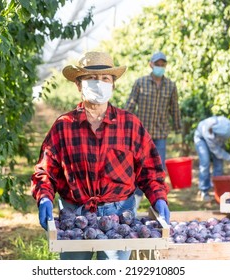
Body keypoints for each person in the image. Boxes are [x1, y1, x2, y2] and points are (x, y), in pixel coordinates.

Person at [31, 51, 170, 260]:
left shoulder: (130, 124)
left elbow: (149, 169)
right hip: (75, 215)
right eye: (91, 78)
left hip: (119, 216)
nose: (99, 83)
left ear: (112, 85)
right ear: (78, 85)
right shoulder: (64, 126)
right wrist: (44, 198)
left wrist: (158, 197)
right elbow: (46, 171)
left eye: (105, 79)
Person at [125, 51, 181, 211]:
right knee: (137, 168)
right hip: (141, 135)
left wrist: (178, 131)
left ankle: (158, 202)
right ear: (151, 64)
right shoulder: (140, 83)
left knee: (157, 170)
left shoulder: (171, 85)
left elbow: (175, 109)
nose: (160, 67)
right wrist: (121, 124)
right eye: (158, 64)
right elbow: (130, 104)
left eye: (163, 65)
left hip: (160, 135)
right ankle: (134, 202)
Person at [194, 116, 230, 201]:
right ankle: (204, 190)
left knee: (219, 166)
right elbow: (219, 153)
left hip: (216, 140)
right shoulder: (208, 134)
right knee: (205, 163)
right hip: (201, 138)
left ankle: (217, 190)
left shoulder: (227, 124)